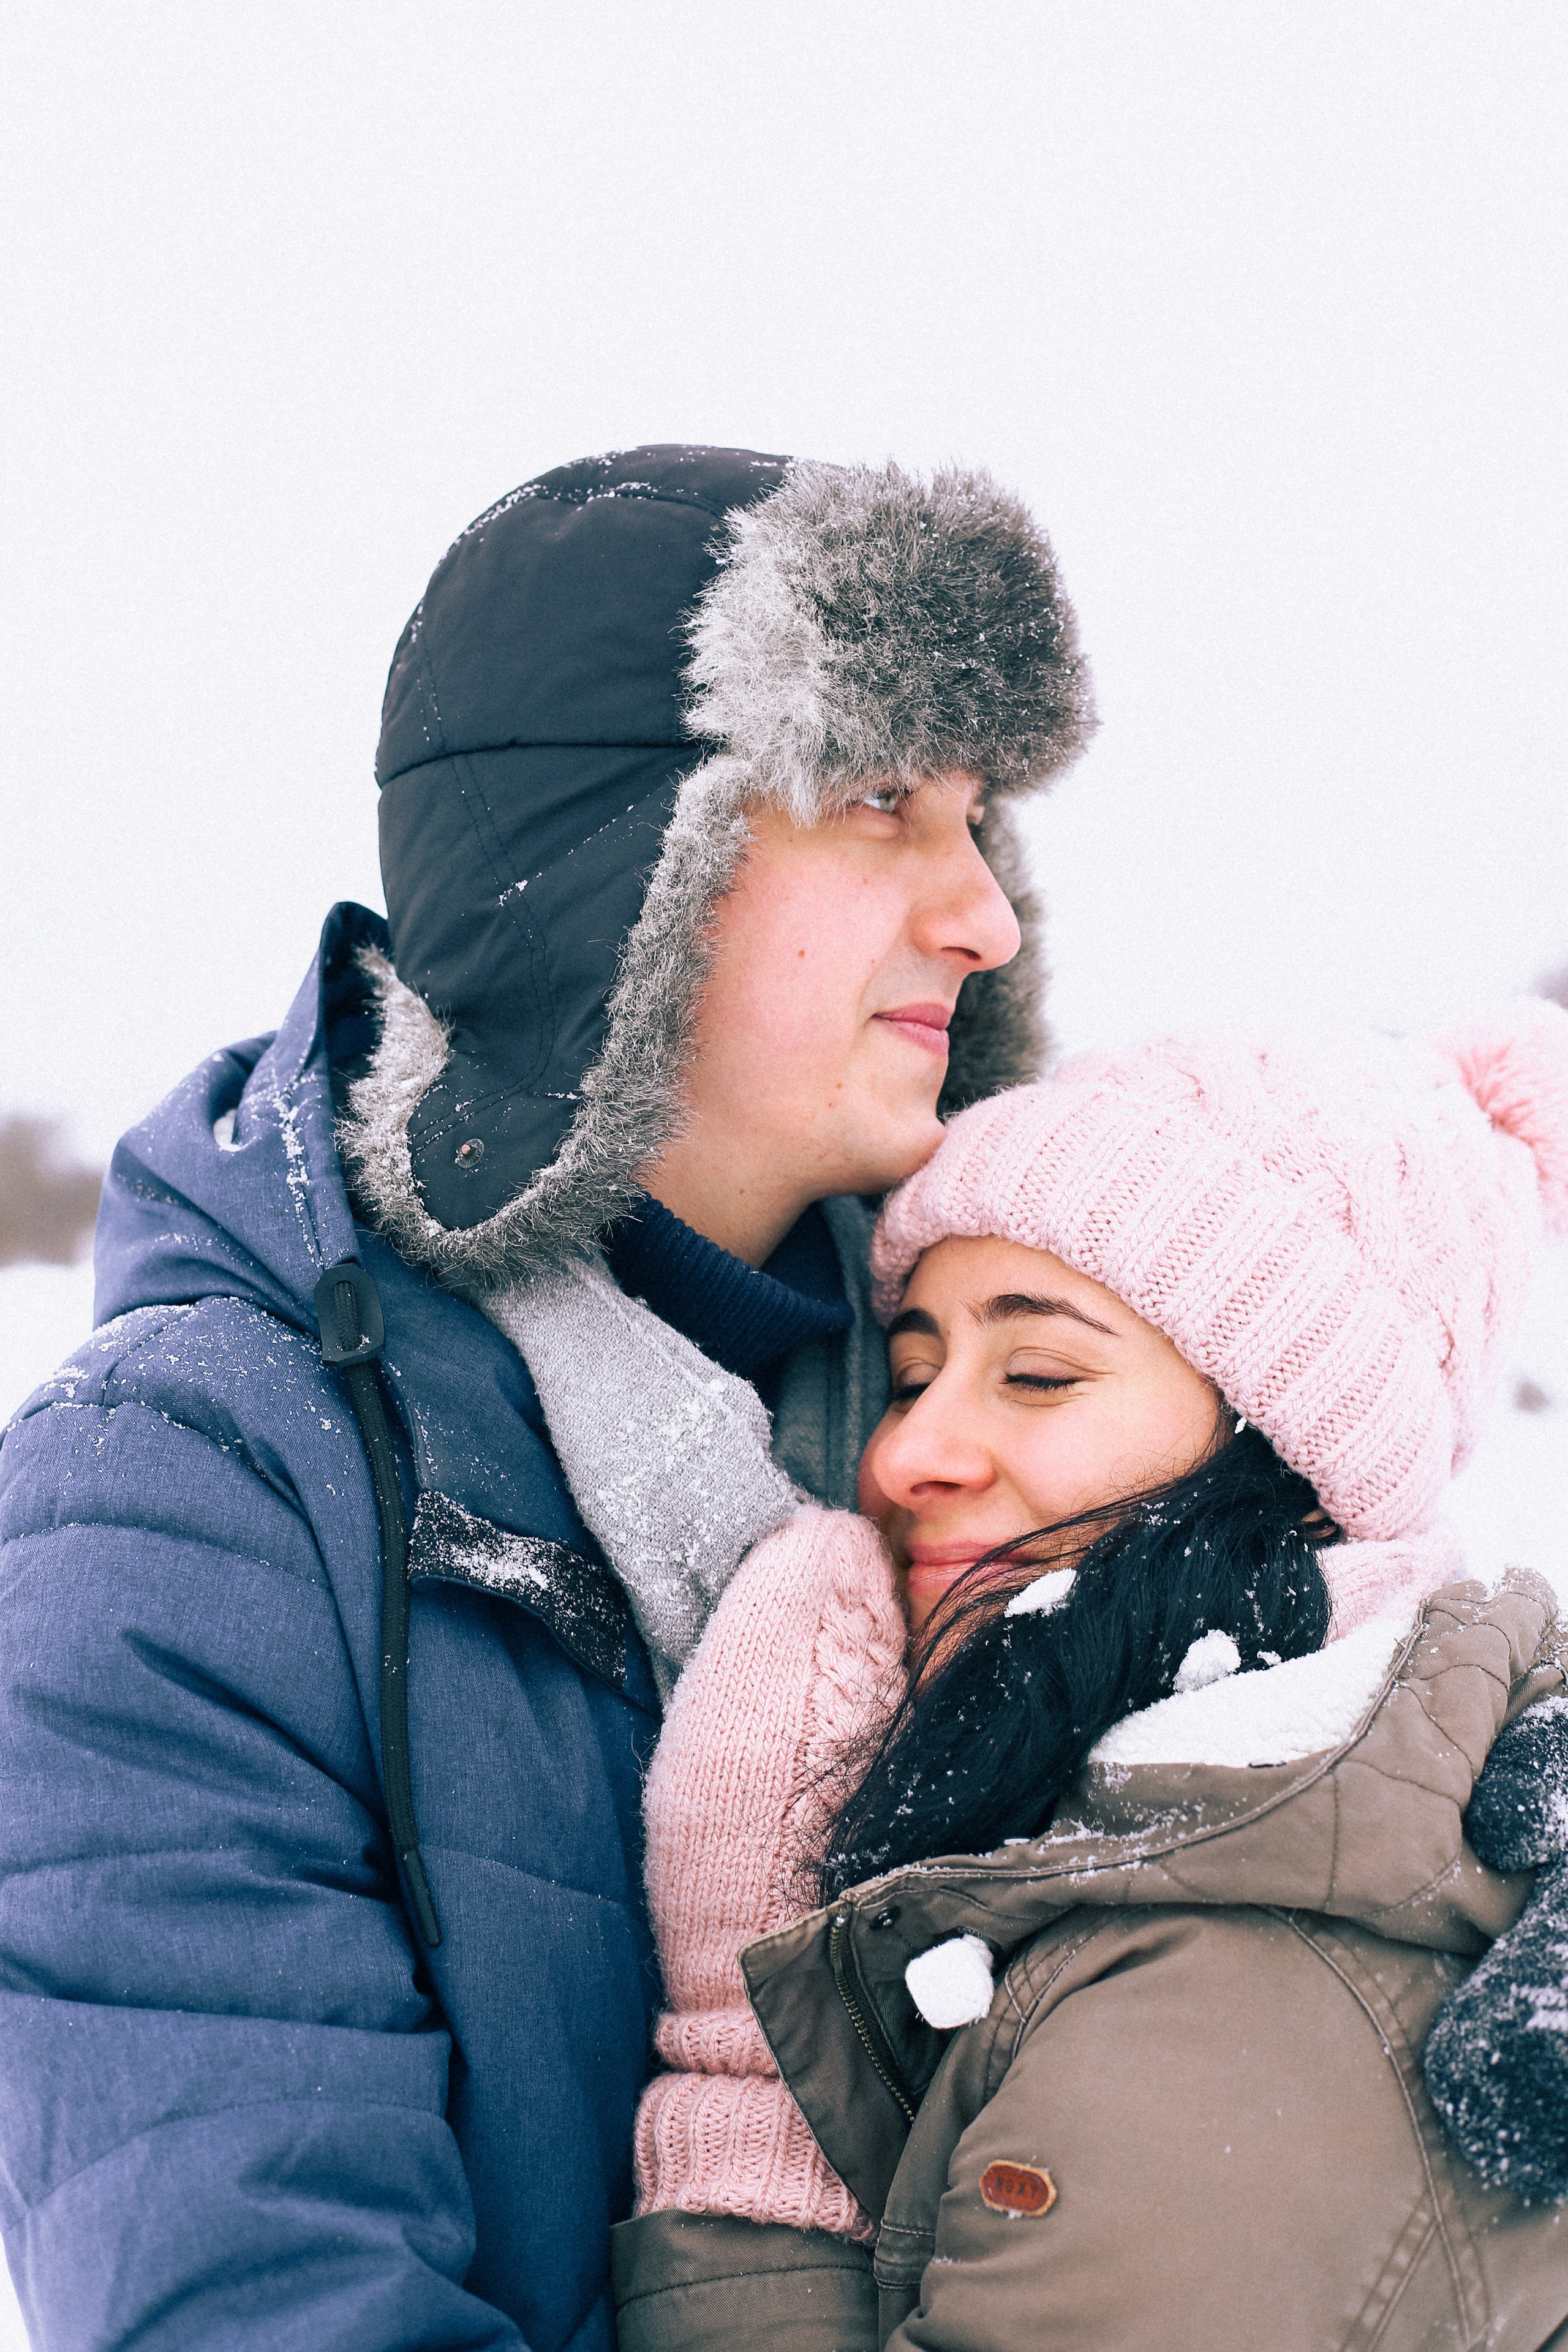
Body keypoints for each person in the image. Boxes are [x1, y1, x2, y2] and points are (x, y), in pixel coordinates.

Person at [0, 447, 1095, 2348]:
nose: (983, 911)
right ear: (622, 874)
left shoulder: (1014, 1416)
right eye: (878, 801)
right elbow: (264, 2300)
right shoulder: (182, 1508)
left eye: (982, 817)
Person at [607, 1001, 1568, 2352]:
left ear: (1295, 1461)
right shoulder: (1194, 1851)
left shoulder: (1242, 2001)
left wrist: (750, 2065)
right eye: (913, 1374)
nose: (900, 1458)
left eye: (1039, 1373)